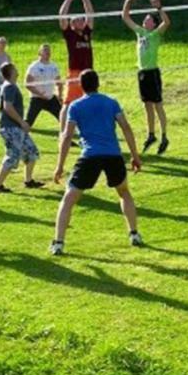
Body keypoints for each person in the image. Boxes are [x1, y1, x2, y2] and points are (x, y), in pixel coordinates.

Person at [51, 69, 143, 255]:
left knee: (69, 198)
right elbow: (126, 127)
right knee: (124, 192)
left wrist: (60, 166)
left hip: (90, 156)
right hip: (113, 155)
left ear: (81, 86)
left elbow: (67, 136)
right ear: (98, 83)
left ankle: (58, 243)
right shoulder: (111, 102)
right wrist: (135, 155)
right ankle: (134, 234)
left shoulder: (75, 106)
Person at [121, 0, 172, 154]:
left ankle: (164, 136)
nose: (144, 21)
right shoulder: (140, 32)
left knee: (158, 106)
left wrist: (159, 7)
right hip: (142, 73)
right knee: (147, 106)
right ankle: (151, 135)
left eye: (148, 19)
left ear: (153, 24)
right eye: (144, 19)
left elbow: (166, 22)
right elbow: (125, 17)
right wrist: (128, 1)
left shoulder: (156, 34)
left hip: (153, 73)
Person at [0, 62, 44, 193]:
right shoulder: (9, 87)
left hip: (16, 128)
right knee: (12, 156)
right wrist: (22, 122)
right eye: (15, 68)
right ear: (10, 72)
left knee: (32, 152)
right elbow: (7, 107)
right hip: (10, 128)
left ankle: (28, 181)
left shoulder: (11, 86)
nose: (17, 70)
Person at [58, 0, 95, 135]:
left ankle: (86, 132)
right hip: (75, 72)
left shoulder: (86, 33)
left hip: (89, 73)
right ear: (72, 24)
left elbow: (90, 14)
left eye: (81, 19)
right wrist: (68, 0)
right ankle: (63, 133)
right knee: (68, 103)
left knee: (89, 102)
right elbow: (61, 16)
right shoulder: (70, 34)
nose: (81, 20)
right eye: (77, 19)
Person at [25, 44, 63, 127]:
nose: (48, 52)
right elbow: (28, 84)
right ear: (40, 53)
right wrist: (39, 94)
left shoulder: (53, 66)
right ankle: (18, 128)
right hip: (37, 98)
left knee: (63, 117)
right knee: (29, 122)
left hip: (50, 98)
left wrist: (59, 96)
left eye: (49, 50)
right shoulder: (34, 66)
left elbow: (59, 83)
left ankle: (67, 134)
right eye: (45, 50)